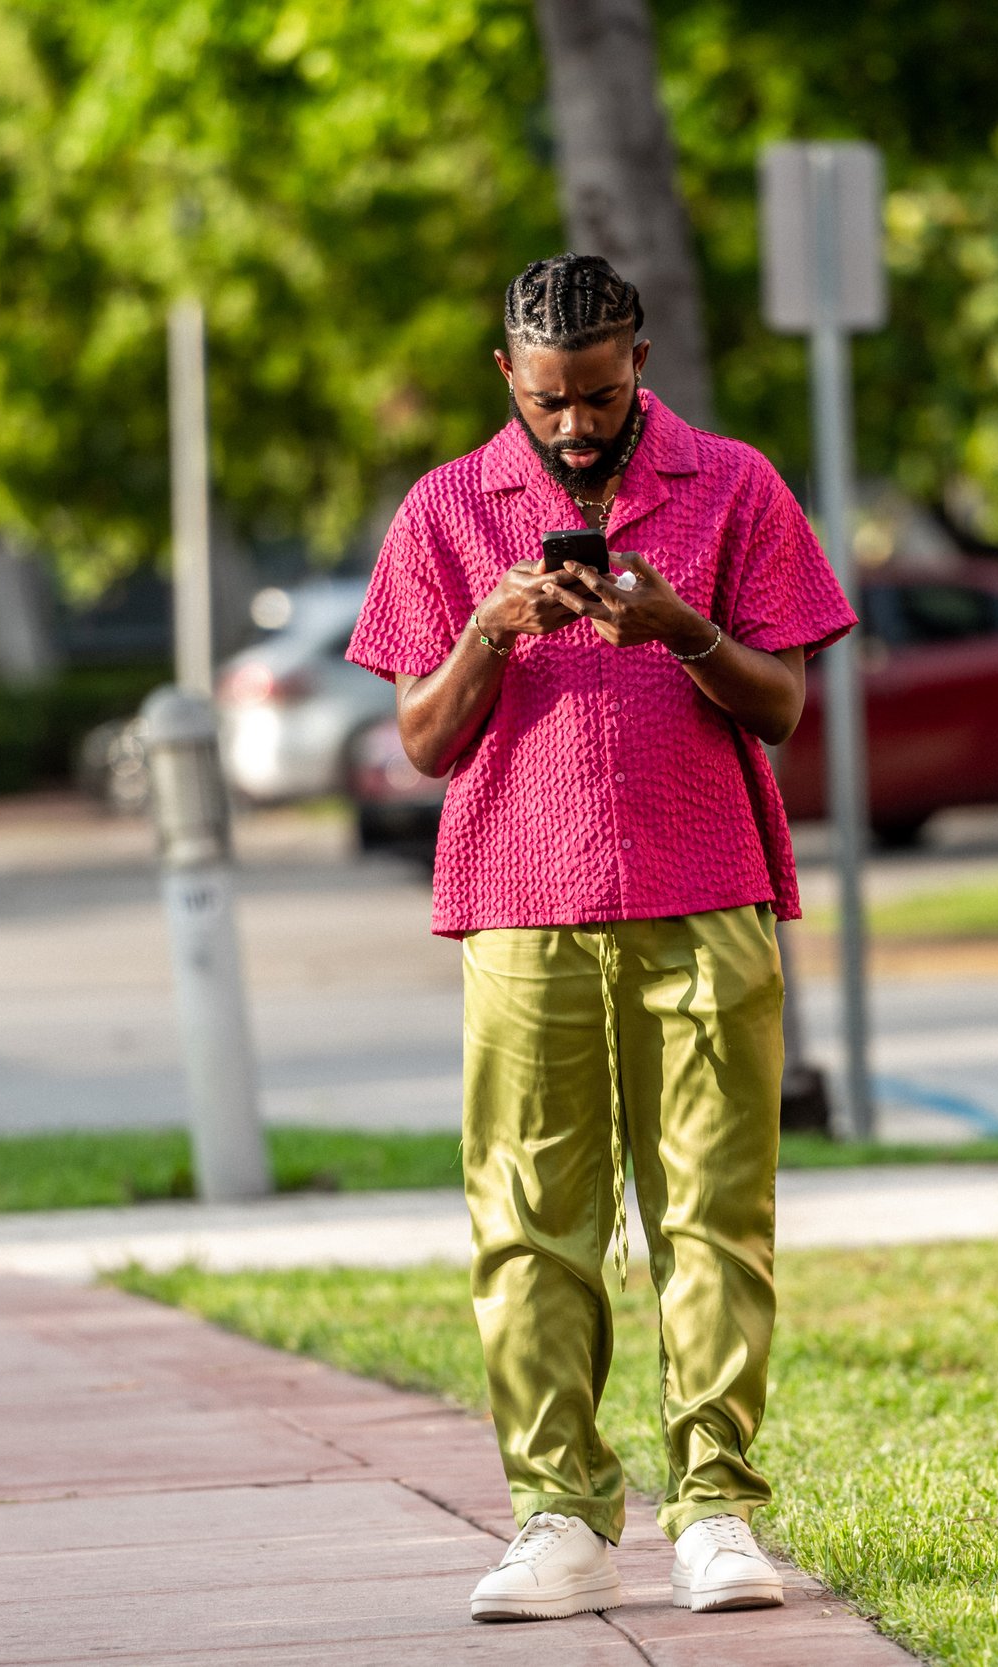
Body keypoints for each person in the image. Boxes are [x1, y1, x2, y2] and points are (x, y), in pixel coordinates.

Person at [347, 252, 855, 1623]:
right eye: (552, 397)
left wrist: (681, 628)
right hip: (522, 903)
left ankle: (717, 1516)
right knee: (530, 1222)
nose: (577, 423)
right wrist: (491, 632)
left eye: (601, 393)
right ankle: (559, 1516)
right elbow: (421, 736)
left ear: (641, 365)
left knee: (713, 1216)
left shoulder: (736, 486)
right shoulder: (447, 508)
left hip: (706, 894)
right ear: (505, 375)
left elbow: (783, 706)